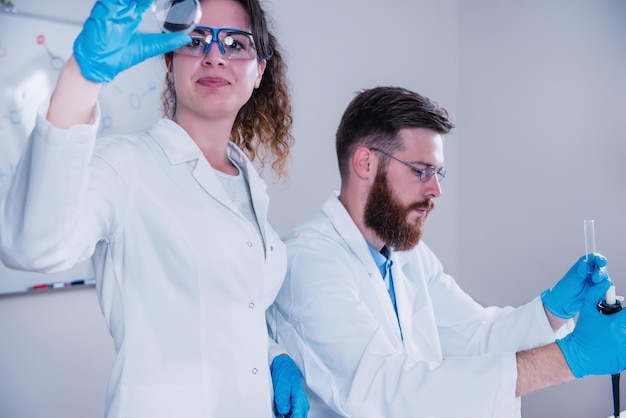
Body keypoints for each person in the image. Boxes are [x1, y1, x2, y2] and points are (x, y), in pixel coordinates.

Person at [0, 0, 308, 417]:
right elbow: (32, 245)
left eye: (236, 44)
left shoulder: (248, 184)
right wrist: (81, 76)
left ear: (259, 72)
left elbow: (226, 316)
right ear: (169, 61)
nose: (215, 55)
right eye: (196, 41)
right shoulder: (126, 166)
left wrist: (273, 356)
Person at [267, 86, 626, 417]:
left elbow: (476, 338)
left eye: (439, 173)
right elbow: (387, 388)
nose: (436, 189)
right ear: (365, 163)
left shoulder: (407, 256)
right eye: (422, 171)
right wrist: (571, 359)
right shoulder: (309, 263)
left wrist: (553, 310)